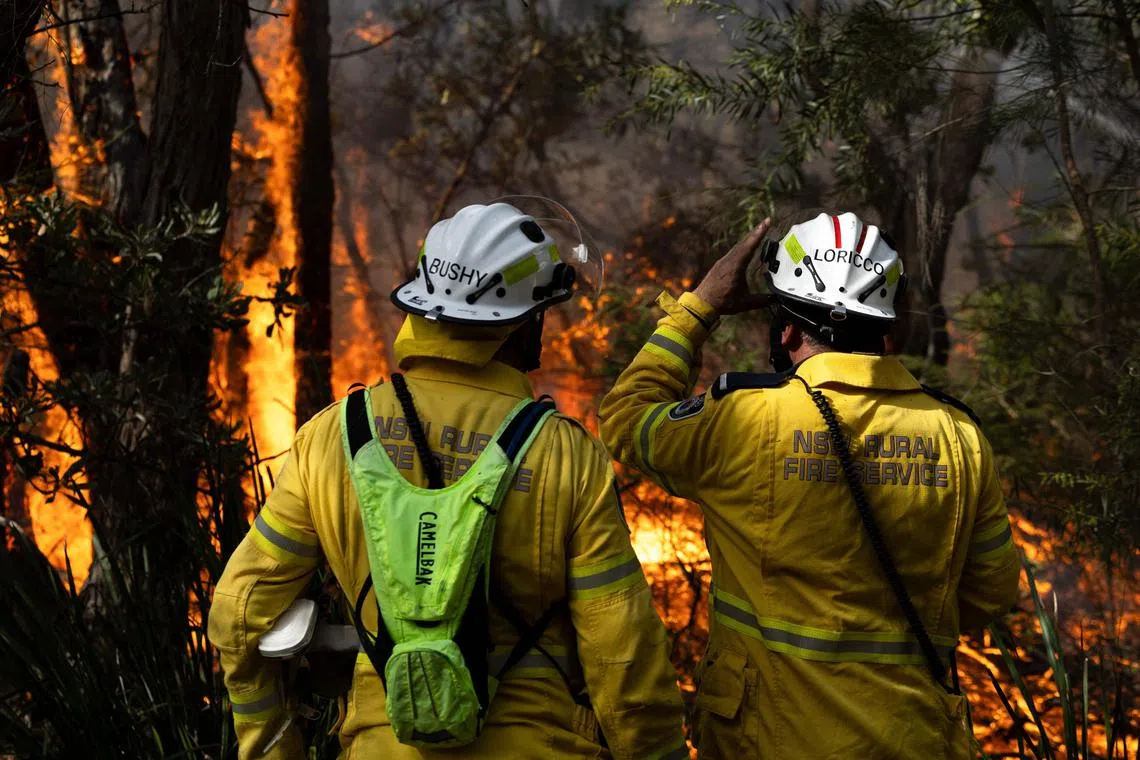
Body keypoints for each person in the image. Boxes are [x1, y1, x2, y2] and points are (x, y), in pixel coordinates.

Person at [208, 198, 686, 760]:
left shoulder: (332, 437)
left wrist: (273, 747)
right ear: (525, 322)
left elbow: (238, 613)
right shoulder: (564, 455)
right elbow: (622, 655)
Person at [598, 211, 1020, 759]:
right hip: (916, 739)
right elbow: (989, 591)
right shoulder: (960, 434)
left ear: (788, 329)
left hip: (765, 740)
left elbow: (627, 420)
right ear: (886, 330)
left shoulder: (743, 419)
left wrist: (694, 312)